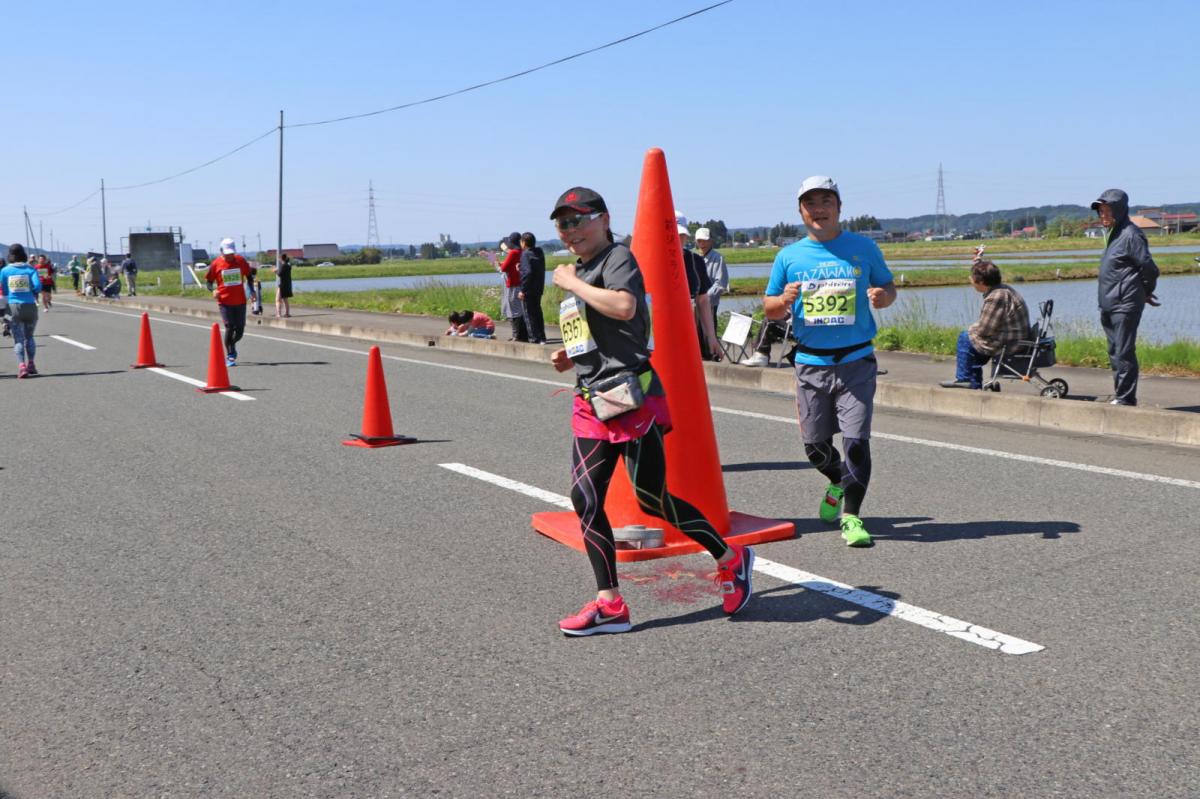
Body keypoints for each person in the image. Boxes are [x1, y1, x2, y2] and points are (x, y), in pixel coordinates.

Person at [547, 186, 753, 636]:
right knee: (585, 498)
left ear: (604, 220)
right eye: (563, 223)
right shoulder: (579, 270)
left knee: (652, 499)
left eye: (579, 220)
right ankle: (610, 603)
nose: (570, 230)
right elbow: (601, 327)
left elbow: (625, 306)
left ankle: (729, 557)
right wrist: (571, 352)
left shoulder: (616, 257)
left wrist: (572, 283)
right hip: (591, 398)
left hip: (631, 398)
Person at [763, 176, 897, 547]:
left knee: (856, 442)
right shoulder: (789, 257)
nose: (819, 209)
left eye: (826, 201)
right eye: (810, 203)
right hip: (810, 363)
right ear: (800, 211)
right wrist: (783, 300)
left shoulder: (863, 247)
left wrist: (882, 297)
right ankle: (838, 480)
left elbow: (888, 287)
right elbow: (769, 308)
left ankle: (851, 517)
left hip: (856, 361)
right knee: (815, 448)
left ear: (839, 207)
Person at [1091, 188, 1160, 406]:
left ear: (1119, 210)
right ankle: (1121, 395)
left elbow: (1150, 268)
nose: (1103, 215)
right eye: (1101, 211)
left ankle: (1126, 399)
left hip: (1125, 303)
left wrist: (1145, 292)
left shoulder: (1131, 234)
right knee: (1114, 351)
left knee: (1124, 351)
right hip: (1109, 303)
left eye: (1107, 211)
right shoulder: (1114, 234)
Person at [939, 258, 1030, 389]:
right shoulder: (1004, 289)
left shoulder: (996, 297)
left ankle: (964, 379)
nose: (970, 280)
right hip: (1014, 339)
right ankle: (973, 384)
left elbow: (984, 330)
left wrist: (971, 329)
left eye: (972, 278)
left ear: (981, 282)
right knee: (972, 339)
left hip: (1009, 343)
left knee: (965, 338)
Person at [675, 211, 722, 361]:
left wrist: (711, 336)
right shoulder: (651, 261)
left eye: (681, 235)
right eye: (671, 234)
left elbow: (702, 300)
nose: (676, 239)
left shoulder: (695, 261)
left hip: (689, 330)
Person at [204, 237, 254, 367]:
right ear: (221, 251)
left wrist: (252, 291)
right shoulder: (216, 264)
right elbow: (209, 282)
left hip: (240, 301)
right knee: (229, 327)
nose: (229, 256)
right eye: (227, 254)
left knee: (240, 331)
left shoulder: (241, 261)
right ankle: (230, 355)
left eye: (231, 253)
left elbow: (249, 277)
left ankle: (231, 344)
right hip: (224, 302)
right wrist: (213, 290)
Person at [1, 244, 43, 378]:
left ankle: (22, 367)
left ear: (10, 255)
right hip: (30, 306)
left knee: (18, 339)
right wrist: (31, 291)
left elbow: (4, 290)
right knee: (29, 337)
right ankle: (31, 364)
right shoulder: (31, 269)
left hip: (13, 307)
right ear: (24, 254)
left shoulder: (5, 270)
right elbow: (38, 286)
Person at [695, 227, 729, 336]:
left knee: (709, 335)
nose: (702, 244)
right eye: (699, 241)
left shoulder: (718, 258)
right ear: (696, 242)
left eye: (705, 240)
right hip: (693, 305)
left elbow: (721, 283)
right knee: (696, 335)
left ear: (711, 241)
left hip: (710, 304)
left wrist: (704, 298)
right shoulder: (693, 258)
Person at [496, 232, 527, 342]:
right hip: (522, 284)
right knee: (521, 310)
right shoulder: (523, 252)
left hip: (513, 284)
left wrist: (495, 261)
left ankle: (516, 335)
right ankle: (522, 335)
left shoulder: (513, 252)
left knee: (513, 311)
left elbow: (503, 268)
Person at [518, 232, 547, 344]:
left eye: (521, 241)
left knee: (529, 315)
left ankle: (534, 338)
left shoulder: (525, 254)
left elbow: (528, 272)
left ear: (524, 242)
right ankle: (542, 337)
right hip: (538, 288)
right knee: (537, 313)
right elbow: (534, 268)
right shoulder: (539, 252)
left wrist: (522, 290)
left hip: (528, 290)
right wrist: (521, 267)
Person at [275, 252, 293, 318]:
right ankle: (287, 313)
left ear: (281, 258)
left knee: (278, 299)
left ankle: (278, 314)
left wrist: (275, 271)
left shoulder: (283, 265)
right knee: (285, 299)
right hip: (287, 284)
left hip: (282, 285)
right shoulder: (288, 266)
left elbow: (280, 274)